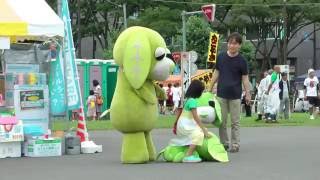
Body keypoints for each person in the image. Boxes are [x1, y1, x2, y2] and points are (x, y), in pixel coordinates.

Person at [209, 32, 251, 153]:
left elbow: (245, 78)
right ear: (227, 44)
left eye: (235, 43)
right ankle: (224, 143)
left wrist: (248, 93)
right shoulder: (221, 57)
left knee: (235, 122)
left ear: (239, 45)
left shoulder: (242, 61)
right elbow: (216, 73)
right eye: (230, 43)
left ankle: (235, 144)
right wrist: (210, 87)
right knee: (221, 121)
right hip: (221, 94)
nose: (232, 46)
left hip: (235, 95)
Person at [169, 80, 211, 163]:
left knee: (198, 132)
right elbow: (196, 118)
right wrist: (203, 130)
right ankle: (188, 155)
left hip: (183, 124)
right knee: (199, 134)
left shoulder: (188, 100)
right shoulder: (192, 101)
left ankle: (188, 151)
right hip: (185, 125)